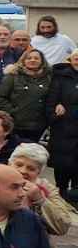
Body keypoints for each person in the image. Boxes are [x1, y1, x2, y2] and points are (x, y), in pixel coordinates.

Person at [0, 47, 52, 142]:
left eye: (36, 58)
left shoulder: (49, 78)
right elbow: (1, 98)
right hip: (16, 124)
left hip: (40, 125)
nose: (33, 60)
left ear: (42, 61)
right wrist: (14, 112)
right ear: (23, 60)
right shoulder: (12, 76)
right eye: (29, 58)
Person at [46, 48, 78, 197]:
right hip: (63, 129)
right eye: (76, 57)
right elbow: (50, 102)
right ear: (70, 60)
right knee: (62, 171)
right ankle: (62, 198)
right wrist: (56, 110)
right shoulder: (59, 77)